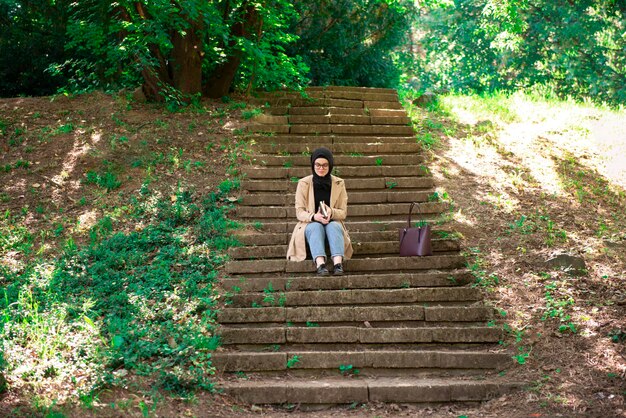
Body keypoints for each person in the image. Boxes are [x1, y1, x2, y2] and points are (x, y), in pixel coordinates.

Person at [286, 147, 353, 275]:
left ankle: (338, 264)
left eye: (325, 165)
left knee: (334, 225)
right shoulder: (303, 183)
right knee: (316, 227)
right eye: (317, 165)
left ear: (330, 165)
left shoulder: (339, 183)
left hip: (332, 222)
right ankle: (320, 264)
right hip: (310, 223)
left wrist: (331, 212)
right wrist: (313, 217)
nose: (321, 168)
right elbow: (299, 212)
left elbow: (343, 212)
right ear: (313, 165)